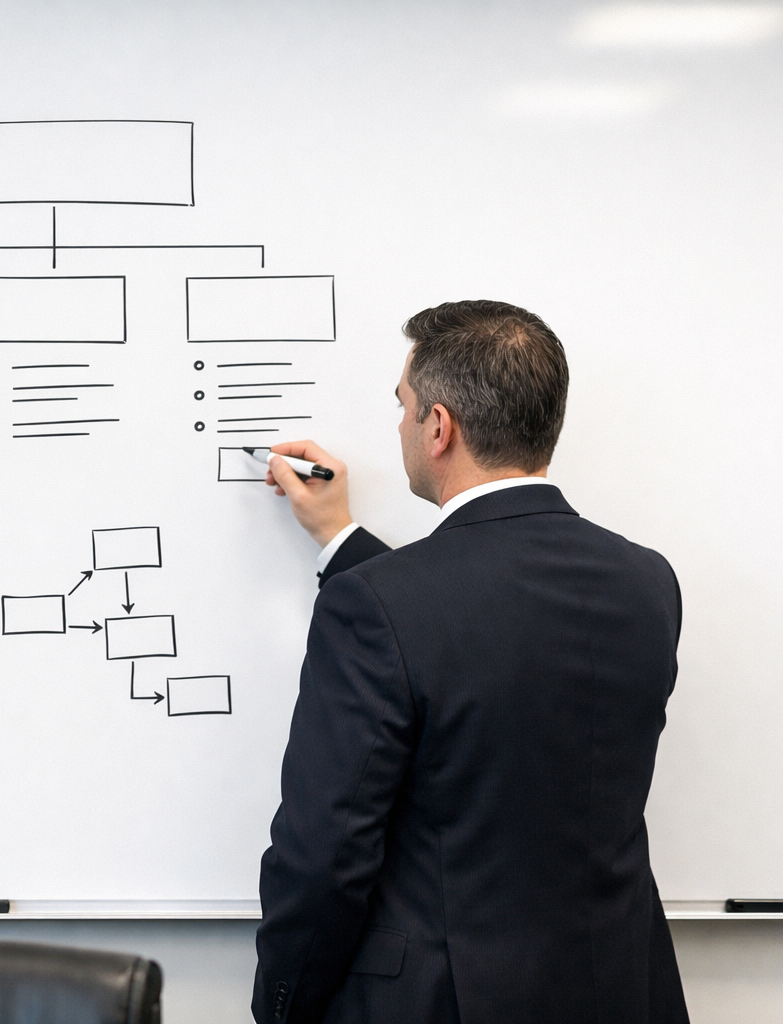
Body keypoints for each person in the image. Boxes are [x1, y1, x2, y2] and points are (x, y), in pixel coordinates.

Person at [251, 300, 689, 1024]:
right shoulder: (647, 583)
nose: (397, 425)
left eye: (403, 405)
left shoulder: (380, 606)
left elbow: (324, 855)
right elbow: (486, 637)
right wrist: (341, 538)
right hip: (621, 992)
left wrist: (282, 1003)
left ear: (439, 426)